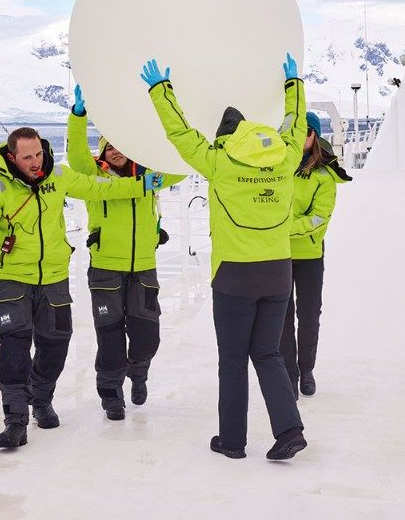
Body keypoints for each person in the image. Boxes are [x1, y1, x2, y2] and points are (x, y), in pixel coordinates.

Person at [142, 53, 309, 462]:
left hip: (235, 277)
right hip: (277, 273)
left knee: (233, 360)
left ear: (226, 138)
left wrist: (160, 91)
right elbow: (295, 125)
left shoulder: (218, 162)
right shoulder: (285, 158)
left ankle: (232, 441)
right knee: (267, 353)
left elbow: (180, 135)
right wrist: (294, 85)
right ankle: (289, 430)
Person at [0, 126, 164, 450]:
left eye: (38, 154)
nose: (34, 161)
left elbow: (98, 188)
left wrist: (141, 183)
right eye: (27, 157)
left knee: (55, 344)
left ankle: (41, 399)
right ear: (13, 157)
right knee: (14, 349)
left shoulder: (58, 175)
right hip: (13, 280)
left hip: (55, 279)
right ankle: (15, 421)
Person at [66, 85, 186, 420]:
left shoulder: (151, 175)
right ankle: (111, 395)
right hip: (105, 267)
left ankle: (139, 371)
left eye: (122, 144)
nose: (116, 150)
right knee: (110, 337)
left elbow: (183, 163)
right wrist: (78, 116)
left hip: (144, 266)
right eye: (109, 145)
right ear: (102, 150)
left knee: (147, 334)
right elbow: (75, 153)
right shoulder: (92, 175)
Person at [281, 111, 352, 398]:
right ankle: (289, 372)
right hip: (279, 255)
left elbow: (318, 218)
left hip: (309, 255)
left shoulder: (324, 177)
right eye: (295, 131)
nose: (301, 138)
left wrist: (280, 228)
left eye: (306, 132)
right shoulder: (276, 168)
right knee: (282, 317)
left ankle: (306, 369)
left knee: (309, 315)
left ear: (315, 137)